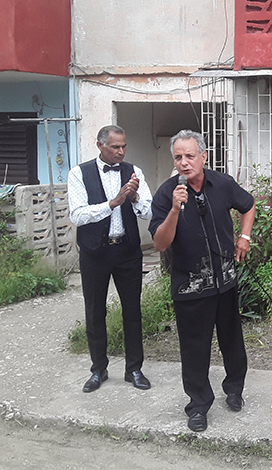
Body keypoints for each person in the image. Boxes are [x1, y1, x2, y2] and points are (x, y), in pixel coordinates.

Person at [149, 130, 256, 433]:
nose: (184, 163)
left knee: (232, 340)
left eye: (190, 156)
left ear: (204, 156)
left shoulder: (221, 184)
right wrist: (174, 209)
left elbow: (248, 205)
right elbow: (159, 243)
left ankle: (234, 389)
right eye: (178, 157)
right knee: (194, 348)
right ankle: (198, 405)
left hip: (225, 281)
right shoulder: (166, 194)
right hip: (190, 286)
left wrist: (244, 237)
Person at [68, 125, 153, 393]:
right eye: (115, 147)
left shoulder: (134, 171)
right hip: (95, 252)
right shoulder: (79, 173)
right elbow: (78, 215)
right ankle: (98, 370)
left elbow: (148, 212)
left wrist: (135, 196)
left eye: (124, 146)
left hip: (127, 251)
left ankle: (134, 369)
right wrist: (113, 202)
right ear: (100, 145)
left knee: (132, 311)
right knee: (95, 312)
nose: (121, 151)